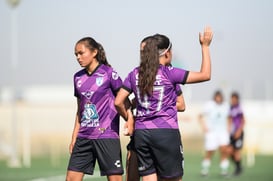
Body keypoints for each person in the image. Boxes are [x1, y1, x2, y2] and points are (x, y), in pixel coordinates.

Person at [115, 27, 213, 181]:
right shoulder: (170, 73)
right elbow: (205, 75)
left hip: (142, 134)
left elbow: (118, 101)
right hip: (166, 133)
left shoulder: (135, 73)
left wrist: (130, 118)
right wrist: (205, 46)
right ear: (167, 53)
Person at [124, 36, 186, 181]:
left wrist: (156, 107)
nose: (143, 53)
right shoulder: (137, 74)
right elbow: (121, 101)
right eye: (141, 51)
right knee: (132, 169)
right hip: (141, 133)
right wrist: (130, 116)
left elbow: (181, 104)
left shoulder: (168, 74)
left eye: (146, 50)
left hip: (160, 132)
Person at [66, 37, 124, 181]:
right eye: (76, 55)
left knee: (115, 179)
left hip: (107, 135)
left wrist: (131, 122)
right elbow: (80, 109)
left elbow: (124, 101)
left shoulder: (109, 73)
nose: (78, 57)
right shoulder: (77, 77)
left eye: (81, 53)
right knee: (71, 178)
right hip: (84, 136)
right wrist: (74, 136)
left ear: (94, 52)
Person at [198, 90, 230, 176]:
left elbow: (229, 117)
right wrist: (204, 127)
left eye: (220, 97)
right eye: (217, 97)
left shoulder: (226, 105)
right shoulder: (209, 105)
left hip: (223, 132)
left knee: (224, 150)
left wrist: (229, 127)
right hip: (212, 132)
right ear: (215, 97)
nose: (218, 99)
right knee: (210, 151)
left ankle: (224, 170)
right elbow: (200, 116)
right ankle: (205, 170)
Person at [228, 91, 245, 176]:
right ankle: (238, 166)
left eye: (234, 99)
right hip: (232, 133)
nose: (232, 100)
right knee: (229, 151)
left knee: (237, 151)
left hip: (238, 133)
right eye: (232, 98)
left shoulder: (239, 108)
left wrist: (239, 131)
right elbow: (230, 119)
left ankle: (238, 170)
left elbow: (243, 121)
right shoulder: (231, 108)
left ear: (237, 99)